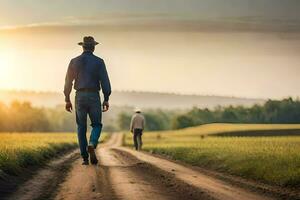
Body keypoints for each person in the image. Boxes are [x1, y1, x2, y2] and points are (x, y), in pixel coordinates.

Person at [64, 36, 111, 165]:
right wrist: (106, 98)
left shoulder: (74, 61)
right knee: (96, 124)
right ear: (94, 47)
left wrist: (67, 99)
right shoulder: (99, 62)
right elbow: (105, 81)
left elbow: (68, 81)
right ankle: (92, 143)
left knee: (81, 127)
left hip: (79, 96)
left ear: (83, 47)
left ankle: (85, 157)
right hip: (94, 96)